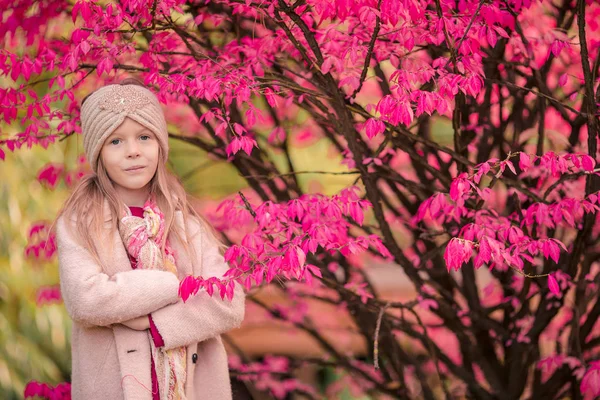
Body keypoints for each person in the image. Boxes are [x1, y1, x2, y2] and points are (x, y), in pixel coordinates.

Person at [52, 77, 245, 400]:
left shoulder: (185, 222)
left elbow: (228, 301)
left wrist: (156, 324)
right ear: (98, 151)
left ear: (159, 145)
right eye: (116, 141)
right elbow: (86, 299)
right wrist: (174, 285)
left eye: (144, 137)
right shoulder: (81, 222)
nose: (133, 152)